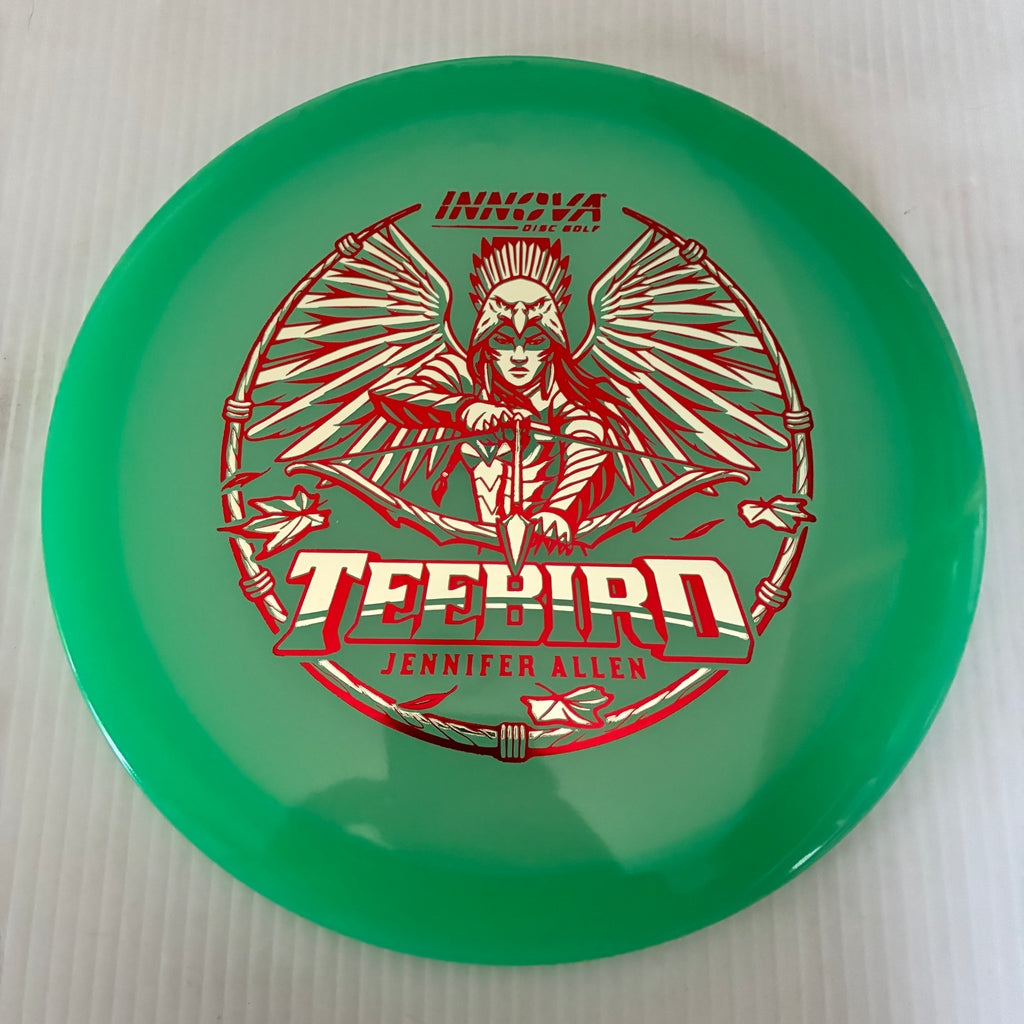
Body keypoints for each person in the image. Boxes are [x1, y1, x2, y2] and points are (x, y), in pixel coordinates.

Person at [370, 238, 620, 552]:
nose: (519, 356)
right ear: (485, 342)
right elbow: (389, 393)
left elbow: (589, 440)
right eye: (503, 341)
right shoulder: (462, 372)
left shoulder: (562, 397)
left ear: (553, 346)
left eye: (535, 342)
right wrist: (466, 409)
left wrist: (560, 509)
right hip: (457, 540)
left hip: (542, 532)